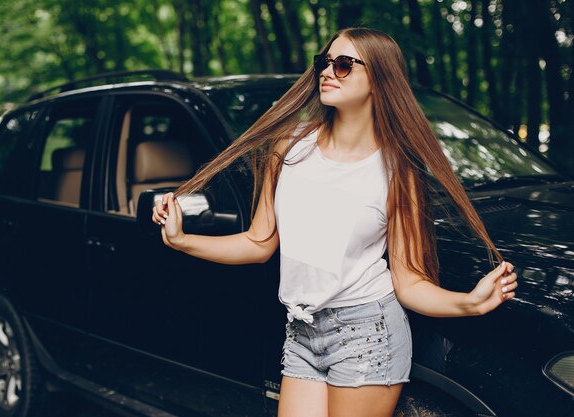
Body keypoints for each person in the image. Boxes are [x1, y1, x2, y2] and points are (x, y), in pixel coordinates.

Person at [152, 27, 518, 417]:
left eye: (343, 65)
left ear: (379, 79)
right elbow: (259, 243)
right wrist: (182, 240)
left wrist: (469, 303)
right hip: (302, 331)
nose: (327, 71)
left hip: (367, 333)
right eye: (324, 62)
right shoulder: (289, 148)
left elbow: (409, 282)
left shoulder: (398, 171)